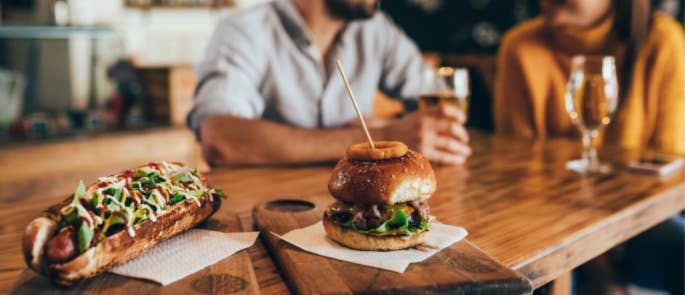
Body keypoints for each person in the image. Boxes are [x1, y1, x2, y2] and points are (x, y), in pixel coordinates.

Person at [495, 0, 684, 294]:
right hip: (545, 224)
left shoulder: (661, 40)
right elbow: (519, 172)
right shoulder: (519, 45)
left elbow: (667, 171)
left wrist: (602, 253)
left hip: (635, 227)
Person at [187, 0, 471, 166]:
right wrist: (372, 139)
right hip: (266, 215)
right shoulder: (244, 30)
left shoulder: (376, 30)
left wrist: (388, 126)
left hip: (357, 202)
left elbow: (435, 99)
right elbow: (220, 139)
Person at [495, 0, 684, 156]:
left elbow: (670, 165)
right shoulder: (519, 46)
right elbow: (517, 160)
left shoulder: (664, 43)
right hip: (547, 199)